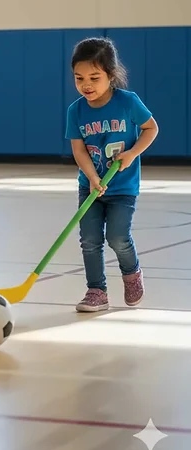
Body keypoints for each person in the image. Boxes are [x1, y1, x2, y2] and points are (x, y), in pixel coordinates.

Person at [66, 37, 158, 312]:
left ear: (111, 75)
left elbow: (151, 128)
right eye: (79, 78)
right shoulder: (76, 110)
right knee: (90, 240)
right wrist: (92, 177)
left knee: (117, 237)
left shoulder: (128, 102)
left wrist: (132, 154)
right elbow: (79, 150)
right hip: (91, 186)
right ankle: (97, 290)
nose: (86, 85)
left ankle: (132, 274)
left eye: (94, 77)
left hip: (123, 187)